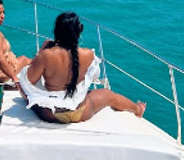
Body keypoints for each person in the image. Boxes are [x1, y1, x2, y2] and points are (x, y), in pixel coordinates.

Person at [18, 12, 146, 124]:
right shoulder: (88, 54)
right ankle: (137, 109)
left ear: (56, 30)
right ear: (79, 31)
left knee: (22, 89)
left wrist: (42, 52)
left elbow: (29, 82)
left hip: (51, 114)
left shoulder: (46, 54)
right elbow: (94, 76)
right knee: (109, 95)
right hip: (80, 112)